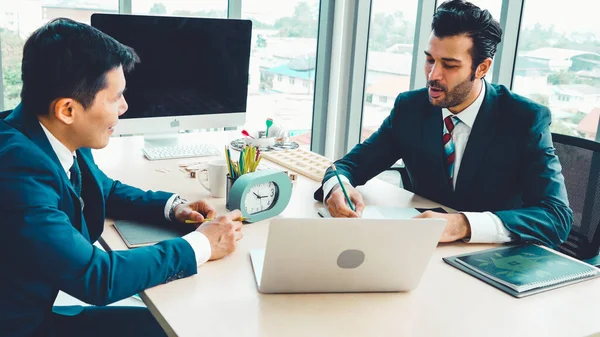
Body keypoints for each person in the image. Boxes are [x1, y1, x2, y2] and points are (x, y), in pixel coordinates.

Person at [0, 18, 243, 337]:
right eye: (115, 98)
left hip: (43, 295)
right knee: (179, 326)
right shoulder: (17, 167)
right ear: (68, 110)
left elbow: (102, 189)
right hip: (23, 324)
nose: (125, 107)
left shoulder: (49, 130)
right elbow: (96, 277)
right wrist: (201, 245)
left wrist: (172, 207)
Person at [315, 0, 573, 247]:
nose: (433, 75)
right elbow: (347, 166)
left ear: (482, 68)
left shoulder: (523, 119)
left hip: (492, 260)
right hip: (421, 251)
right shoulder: (410, 108)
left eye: (449, 65)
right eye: (430, 60)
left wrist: (461, 225)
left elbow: (556, 217)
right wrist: (338, 189)